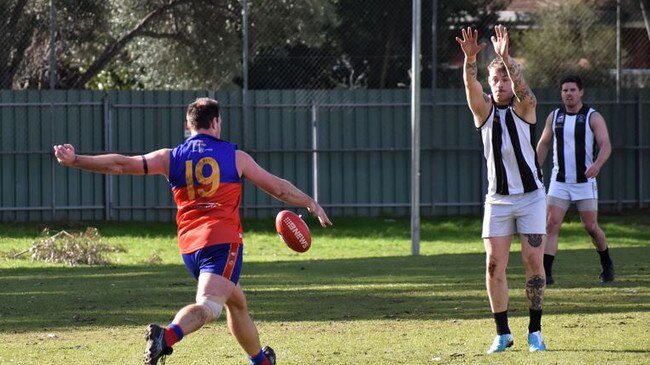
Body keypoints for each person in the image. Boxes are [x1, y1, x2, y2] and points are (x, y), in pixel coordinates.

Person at [53, 97, 333, 365]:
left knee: (236, 303)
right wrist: (309, 202)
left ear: (188, 126)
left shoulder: (170, 157)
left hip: (191, 247)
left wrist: (76, 159)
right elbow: (278, 188)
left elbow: (121, 164)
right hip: (223, 243)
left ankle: (261, 360)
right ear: (216, 122)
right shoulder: (235, 157)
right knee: (209, 307)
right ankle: (167, 335)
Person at [455, 25, 547, 353]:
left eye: (504, 78)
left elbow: (528, 94)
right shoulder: (484, 113)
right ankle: (503, 332)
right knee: (494, 264)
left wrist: (507, 59)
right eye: (495, 80)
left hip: (532, 196)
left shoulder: (524, 109)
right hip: (498, 199)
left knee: (533, 260)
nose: (500, 84)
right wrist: (470, 61)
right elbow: (471, 85)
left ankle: (535, 332)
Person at [536, 75, 614, 285]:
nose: (568, 94)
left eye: (572, 90)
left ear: (581, 92)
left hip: (584, 183)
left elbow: (606, 144)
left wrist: (597, 164)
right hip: (559, 182)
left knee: (590, 227)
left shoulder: (592, 116)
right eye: (564, 90)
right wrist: (535, 168)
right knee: (551, 225)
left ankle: (606, 262)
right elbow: (544, 143)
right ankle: (547, 273)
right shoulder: (554, 117)